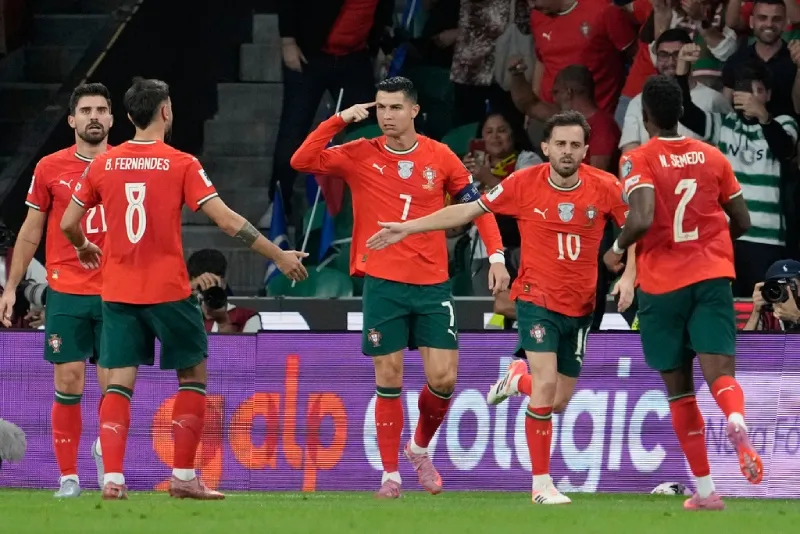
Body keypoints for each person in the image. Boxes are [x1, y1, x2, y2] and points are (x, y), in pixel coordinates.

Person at [59, 77, 308, 501]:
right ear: (166, 112)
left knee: (118, 382)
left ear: (130, 116)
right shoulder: (181, 163)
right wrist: (278, 256)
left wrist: (84, 247)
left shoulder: (102, 165)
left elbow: (67, 224)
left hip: (117, 291)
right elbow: (227, 221)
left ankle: (113, 479)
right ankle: (184, 476)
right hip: (168, 291)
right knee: (192, 377)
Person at [367, 110, 629, 505]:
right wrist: (410, 226)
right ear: (544, 147)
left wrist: (629, 275)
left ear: (586, 150)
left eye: (575, 145)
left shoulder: (606, 186)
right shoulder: (524, 183)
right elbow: (469, 210)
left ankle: (513, 380)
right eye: (560, 144)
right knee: (544, 386)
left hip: (581, 306)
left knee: (556, 400)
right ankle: (542, 486)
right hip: (535, 299)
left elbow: (637, 228)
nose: (567, 152)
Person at [290, 76, 510, 498]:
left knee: (443, 378)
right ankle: (389, 476)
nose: (386, 116)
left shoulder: (440, 156)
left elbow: (477, 204)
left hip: (431, 284)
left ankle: (419, 448)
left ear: (414, 110)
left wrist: (497, 256)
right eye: (380, 108)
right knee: (388, 375)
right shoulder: (360, 153)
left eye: (394, 108)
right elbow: (302, 160)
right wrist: (339, 120)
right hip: (384, 282)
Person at [604, 74, 759, 511]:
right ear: (680, 112)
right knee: (721, 374)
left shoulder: (638, 158)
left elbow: (642, 217)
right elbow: (743, 221)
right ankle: (734, 418)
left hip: (662, 284)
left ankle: (707, 492)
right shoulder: (712, 156)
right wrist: (710, 237)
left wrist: (616, 250)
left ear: (646, 115)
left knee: (679, 390)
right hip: (711, 277)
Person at [0, 83, 114, 498]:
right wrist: (11, 286)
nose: (94, 116)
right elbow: (31, 230)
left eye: (102, 109)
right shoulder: (50, 167)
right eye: (86, 110)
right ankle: (68, 478)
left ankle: (109, 465)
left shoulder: (125, 164)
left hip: (117, 290)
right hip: (65, 290)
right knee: (68, 381)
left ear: (112, 119)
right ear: (72, 120)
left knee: (113, 385)